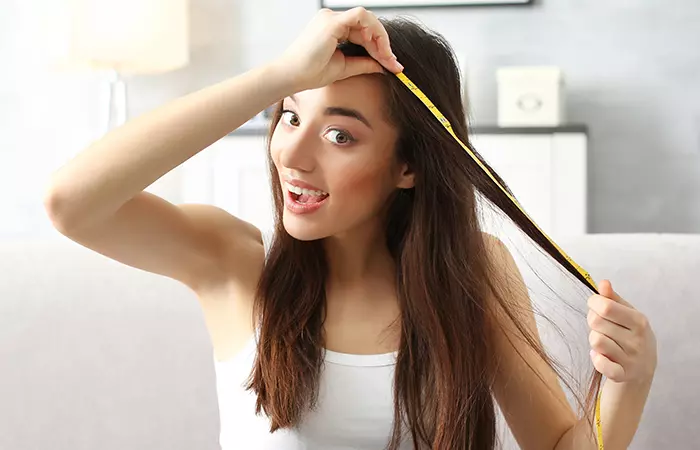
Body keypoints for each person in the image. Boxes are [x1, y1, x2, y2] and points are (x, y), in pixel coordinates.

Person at [43, 7, 657, 450]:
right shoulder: (232, 262)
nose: (294, 155)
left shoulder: (473, 272)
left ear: (409, 165)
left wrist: (627, 384)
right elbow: (72, 202)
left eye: (340, 135)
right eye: (288, 117)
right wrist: (277, 76)